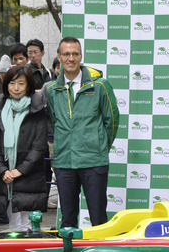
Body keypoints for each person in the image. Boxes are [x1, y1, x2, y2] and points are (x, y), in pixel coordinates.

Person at [44, 36, 119, 228]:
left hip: (94, 160)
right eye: (66, 54)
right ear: (59, 57)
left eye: (75, 54)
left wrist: (100, 146)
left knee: (98, 219)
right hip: (64, 161)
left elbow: (111, 121)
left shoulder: (100, 85)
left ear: (81, 56)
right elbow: (55, 120)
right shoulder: (52, 89)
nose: (71, 58)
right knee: (67, 220)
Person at [0, 65, 48, 232]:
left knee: (30, 226)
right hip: (6, 176)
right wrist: (2, 170)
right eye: (12, 83)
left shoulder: (37, 108)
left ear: (28, 85)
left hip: (30, 175)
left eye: (21, 84)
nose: (16, 88)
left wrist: (20, 170)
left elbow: (39, 145)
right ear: (6, 84)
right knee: (13, 227)